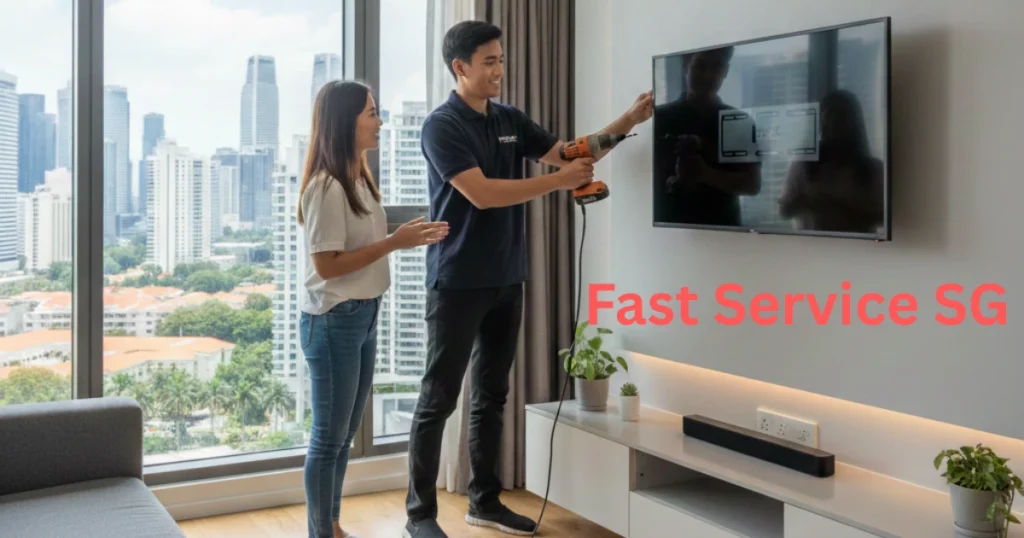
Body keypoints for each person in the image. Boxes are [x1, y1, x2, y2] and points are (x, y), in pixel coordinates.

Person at [402, 21, 653, 538]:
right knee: (438, 399)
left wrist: (629, 118)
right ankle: (419, 516)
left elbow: (572, 153)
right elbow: (482, 193)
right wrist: (558, 182)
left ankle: (485, 502)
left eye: (501, 59)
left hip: (507, 276)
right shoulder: (441, 125)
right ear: (460, 67)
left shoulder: (510, 119)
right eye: (489, 61)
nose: (499, 69)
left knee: (492, 395)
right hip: (458, 280)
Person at [298, 80, 449, 538]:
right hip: (334, 320)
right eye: (371, 113)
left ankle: (332, 523)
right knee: (328, 438)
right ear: (347, 122)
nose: (379, 121)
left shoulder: (359, 177)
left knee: (342, 436)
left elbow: (361, 242)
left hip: (362, 315)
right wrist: (394, 243)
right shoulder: (326, 186)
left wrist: (407, 234)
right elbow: (326, 265)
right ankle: (320, 532)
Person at [653, 46, 761, 226]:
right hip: (668, 234)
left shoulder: (738, 121)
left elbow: (752, 185)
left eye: (717, 67)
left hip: (724, 233)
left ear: (725, 71)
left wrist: (703, 173)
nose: (708, 75)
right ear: (685, 65)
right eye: (701, 66)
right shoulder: (659, 118)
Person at [779, 89, 885, 234]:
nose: (834, 121)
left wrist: (837, 207)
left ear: (854, 121)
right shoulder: (804, 163)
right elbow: (784, 211)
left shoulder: (873, 169)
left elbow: (884, 217)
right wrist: (804, 200)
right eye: (829, 114)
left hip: (859, 253)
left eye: (841, 115)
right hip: (808, 250)